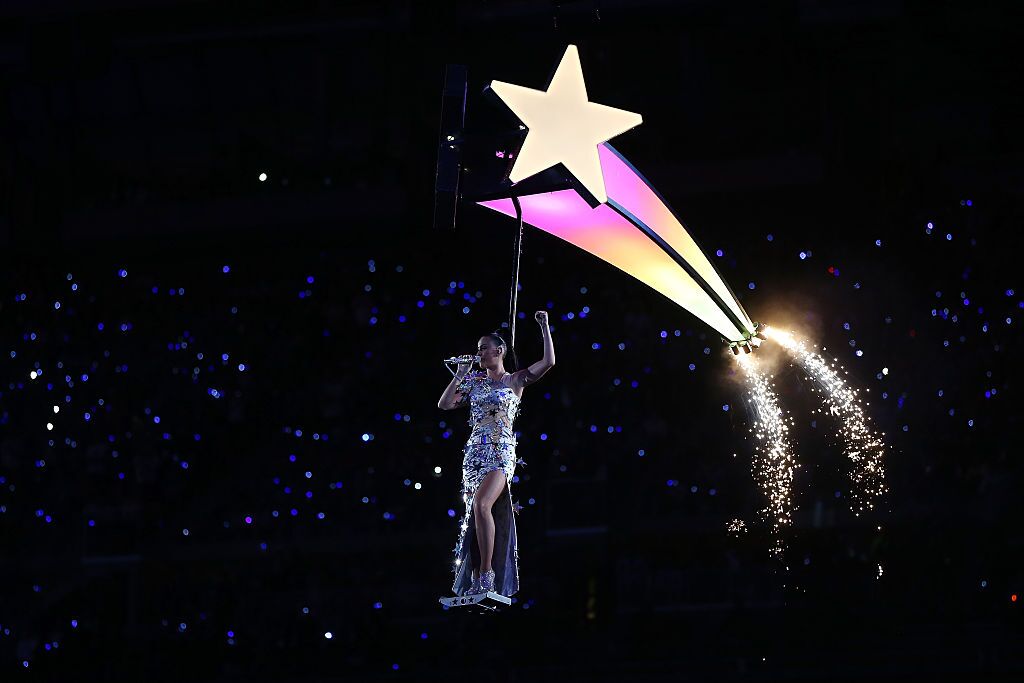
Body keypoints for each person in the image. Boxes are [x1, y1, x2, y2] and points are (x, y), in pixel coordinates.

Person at [437, 310, 555, 597]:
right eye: (477, 350)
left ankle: (488, 574)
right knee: (474, 514)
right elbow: (444, 405)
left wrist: (544, 327)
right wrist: (461, 375)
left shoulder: (514, 381)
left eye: (483, 348)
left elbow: (549, 362)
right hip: (474, 455)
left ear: (499, 351)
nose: (478, 353)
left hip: (500, 452)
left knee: (481, 505)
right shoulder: (476, 384)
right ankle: (476, 574)